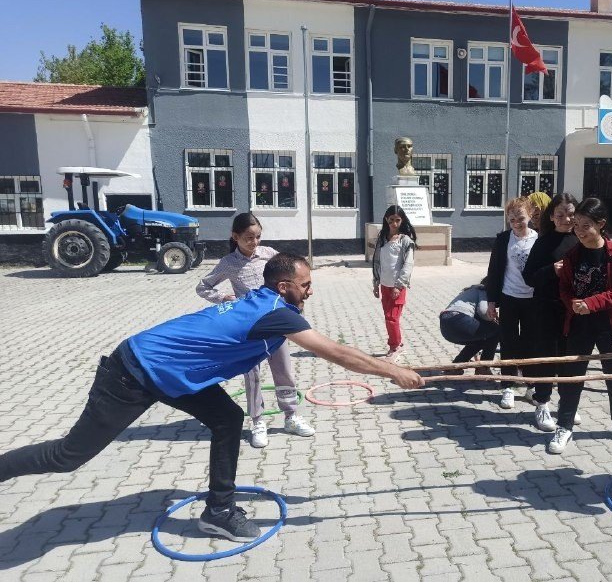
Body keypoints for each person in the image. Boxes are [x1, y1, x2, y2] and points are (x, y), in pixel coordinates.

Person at [0, 254, 425, 542]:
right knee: (69, 456)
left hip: (172, 373)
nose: (310, 290)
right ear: (284, 286)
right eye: (306, 284)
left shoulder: (267, 304)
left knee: (227, 418)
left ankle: (217, 511)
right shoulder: (275, 312)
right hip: (132, 372)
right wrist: (394, 371)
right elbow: (338, 353)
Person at [196, 212, 314, 449]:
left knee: (284, 371)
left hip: (276, 323)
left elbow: (290, 281)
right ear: (235, 237)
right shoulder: (229, 263)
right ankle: (257, 421)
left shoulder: (269, 255)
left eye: (258, 236)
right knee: (253, 376)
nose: (254, 242)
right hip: (249, 329)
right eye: (248, 238)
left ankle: (290, 416)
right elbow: (203, 286)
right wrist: (223, 298)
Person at [551, 197, 612, 454]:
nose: (579, 230)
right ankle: (564, 425)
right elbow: (564, 287)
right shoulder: (572, 255)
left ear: (600, 224)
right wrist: (573, 303)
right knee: (572, 376)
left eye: (585, 225)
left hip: (610, 324)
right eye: (576, 225)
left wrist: (592, 302)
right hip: (579, 324)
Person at [521, 193, 580, 432]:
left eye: (571, 214)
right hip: (546, 308)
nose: (566, 219)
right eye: (560, 215)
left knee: (570, 359)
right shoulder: (544, 242)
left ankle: (567, 406)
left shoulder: (582, 239)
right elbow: (529, 277)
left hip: (574, 311)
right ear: (552, 217)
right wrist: (551, 271)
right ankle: (542, 403)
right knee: (546, 357)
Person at [486, 196, 537, 409]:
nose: (517, 223)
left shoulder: (539, 239)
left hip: (533, 299)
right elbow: (494, 271)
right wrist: (491, 302)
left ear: (531, 215)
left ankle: (531, 385)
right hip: (509, 297)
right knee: (508, 342)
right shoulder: (503, 239)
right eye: (512, 219)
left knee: (531, 343)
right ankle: (507, 386)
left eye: (521, 218)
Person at [372, 205, 416, 361]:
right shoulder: (382, 238)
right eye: (391, 220)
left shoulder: (405, 241)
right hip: (384, 285)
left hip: (398, 287)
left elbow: (408, 265)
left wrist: (399, 285)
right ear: (386, 220)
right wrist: (376, 282)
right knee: (387, 317)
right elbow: (377, 262)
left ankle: (394, 347)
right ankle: (398, 344)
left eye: (397, 220)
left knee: (392, 318)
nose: (394, 224)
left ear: (402, 221)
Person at [439, 277, 500, 368]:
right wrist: (494, 318)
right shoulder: (482, 290)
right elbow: (484, 312)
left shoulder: (470, 291)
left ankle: (456, 366)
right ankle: (484, 368)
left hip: (446, 326)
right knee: (497, 331)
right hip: (459, 320)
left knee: (481, 337)